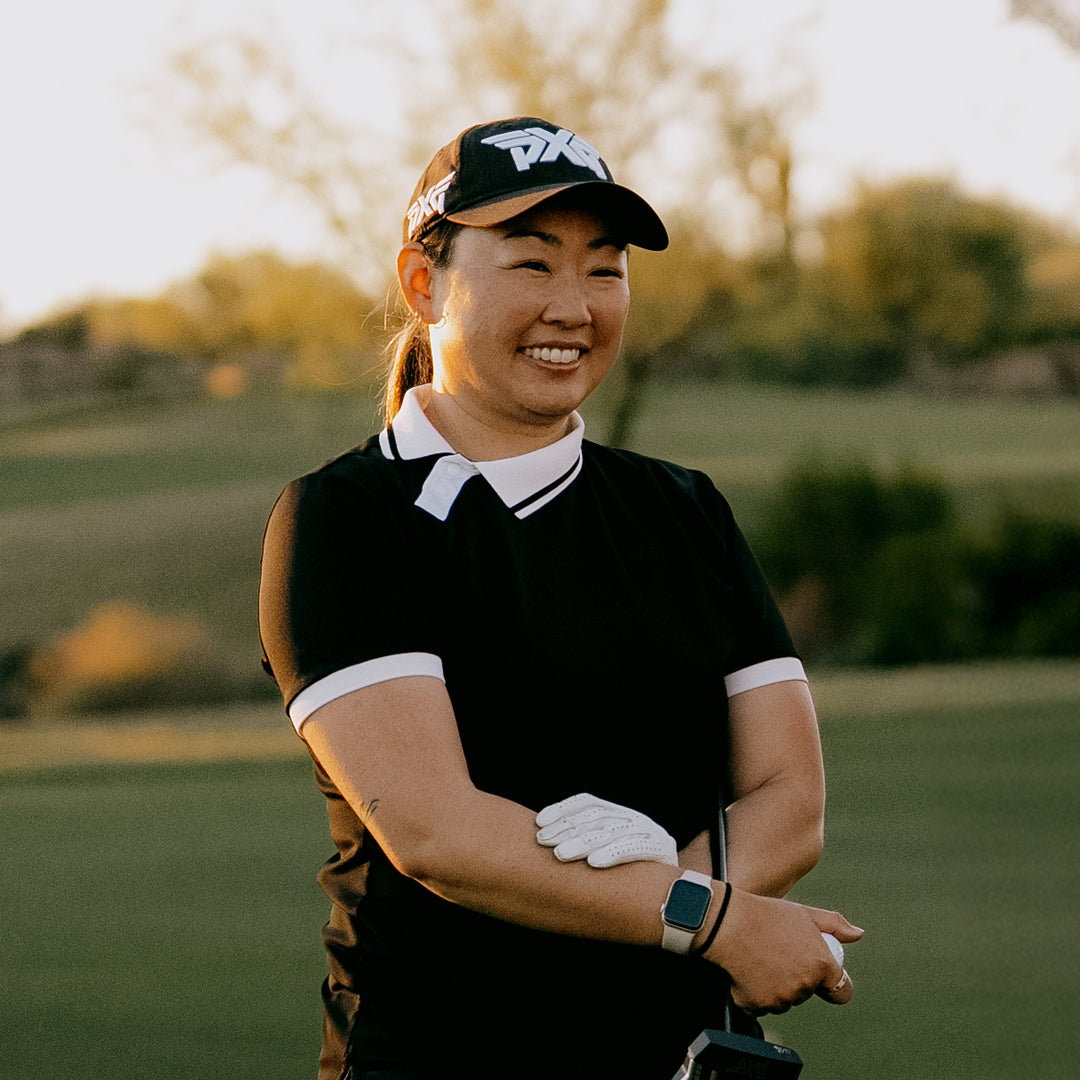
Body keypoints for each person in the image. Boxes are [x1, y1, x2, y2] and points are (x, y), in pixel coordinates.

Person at [259, 116, 863, 1080]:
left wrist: (678, 892)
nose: (574, 307)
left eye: (605, 269)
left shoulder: (683, 510)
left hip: (664, 1057)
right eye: (532, 265)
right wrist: (707, 916)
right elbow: (437, 833)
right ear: (426, 284)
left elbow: (791, 799)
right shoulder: (344, 521)